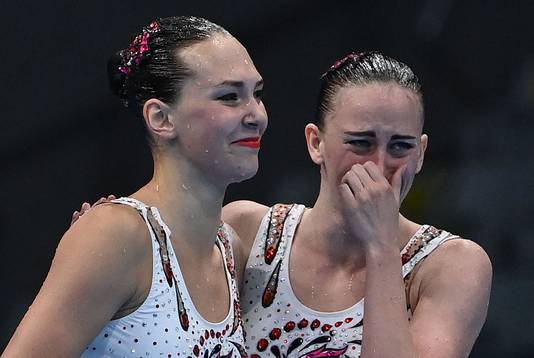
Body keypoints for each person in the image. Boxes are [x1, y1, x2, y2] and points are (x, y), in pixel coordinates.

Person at [3, 16, 267, 357]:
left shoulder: (230, 251)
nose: (255, 115)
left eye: (257, 94)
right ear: (161, 118)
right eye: (230, 96)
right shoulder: (116, 236)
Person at [222, 52, 492, 357]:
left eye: (401, 146)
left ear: (421, 154)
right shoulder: (245, 230)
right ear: (316, 143)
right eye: (361, 143)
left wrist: (381, 246)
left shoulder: (452, 266)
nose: (379, 165)